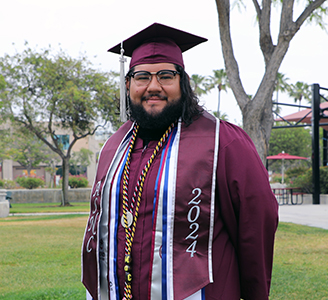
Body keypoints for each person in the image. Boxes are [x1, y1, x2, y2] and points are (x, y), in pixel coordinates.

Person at [82, 23, 278, 300]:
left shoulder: (223, 141)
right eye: (141, 77)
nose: (153, 87)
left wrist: (255, 293)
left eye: (165, 76)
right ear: (128, 85)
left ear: (182, 83)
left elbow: (256, 223)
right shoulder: (115, 145)